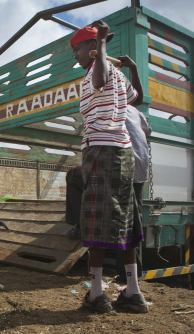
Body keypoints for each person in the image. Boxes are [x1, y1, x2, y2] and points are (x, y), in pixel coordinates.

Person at [71, 21, 149, 313]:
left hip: (102, 150)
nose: (75, 56)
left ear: (91, 48)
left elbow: (100, 81)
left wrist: (102, 42)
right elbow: (136, 99)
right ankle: (132, 292)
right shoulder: (115, 72)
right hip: (122, 153)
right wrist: (135, 70)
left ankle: (96, 294)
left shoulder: (100, 71)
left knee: (96, 219)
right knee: (125, 219)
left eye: (77, 50)